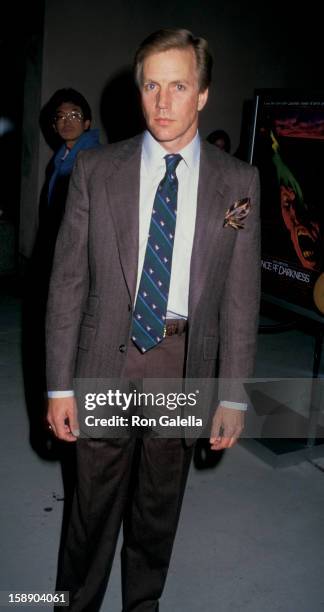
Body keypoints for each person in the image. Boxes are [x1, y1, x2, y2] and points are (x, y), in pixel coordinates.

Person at [46, 28, 260, 611]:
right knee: (90, 514)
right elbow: (67, 282)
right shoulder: (95, 171)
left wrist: (233, 395)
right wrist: (59, 384)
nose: (162, 102)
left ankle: (143, 605)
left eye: (179, 85)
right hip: (103, 363)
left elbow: (242, 295)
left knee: (156, 514)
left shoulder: (238, 182)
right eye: (151, 85)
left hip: (183, 361)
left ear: (204, 93)